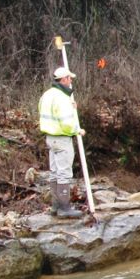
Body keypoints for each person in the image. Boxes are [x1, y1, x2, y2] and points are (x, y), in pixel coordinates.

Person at [38, 67, 85, 218]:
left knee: (54, 172)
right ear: (64, 79)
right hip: (62, 138)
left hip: (50, 139)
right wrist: (77, 130)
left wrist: (71, 109)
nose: (71, 81)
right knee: (64, 173)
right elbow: (66, 122)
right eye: (69, 78)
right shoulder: (62, 98)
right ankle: (65, 208)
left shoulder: (47, 95)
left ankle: (55, 206)